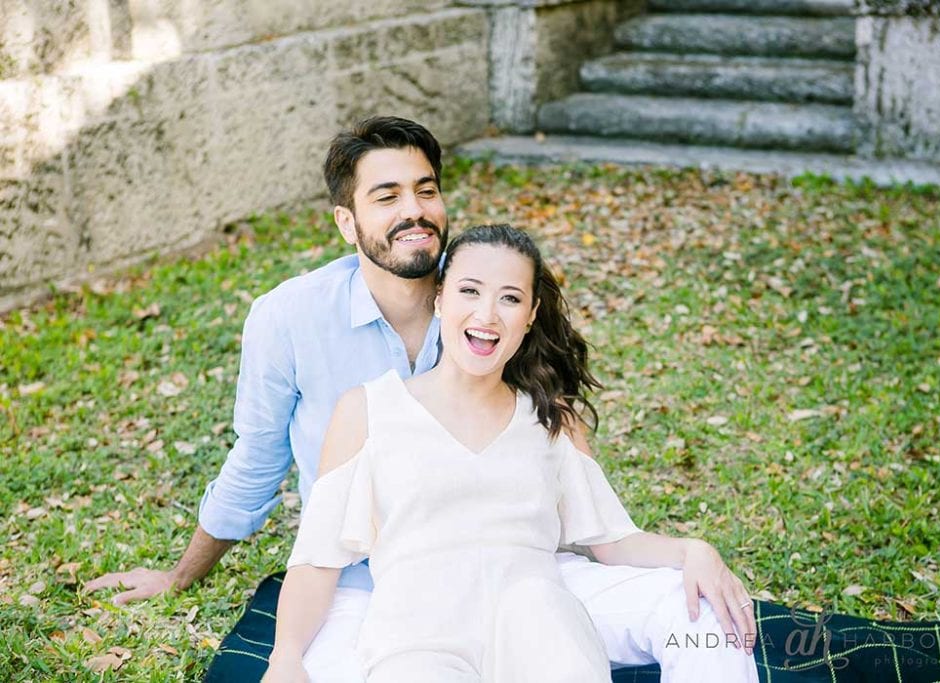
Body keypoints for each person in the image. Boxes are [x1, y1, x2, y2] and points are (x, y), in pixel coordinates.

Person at [84, 116, 757, 681]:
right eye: (386, 195)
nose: (412, 209)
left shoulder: (494, 317)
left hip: (528, 580)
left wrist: (687, 548)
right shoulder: (297, 326)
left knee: (696, 615)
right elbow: (262, 467)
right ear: (347, 222)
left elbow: (602, 531)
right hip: (374, 586)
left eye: (425, 189)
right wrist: (184, 577)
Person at [263, 224, 758, 682]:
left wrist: (694, 550)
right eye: (470, 291)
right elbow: (316, 561)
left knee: (706, 611)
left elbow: (612, 540)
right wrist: (286, 655)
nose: (486, 315)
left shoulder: (548, 417)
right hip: (418, 635)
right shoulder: (369, 409)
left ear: (530, 316)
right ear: (439, 299)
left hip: (538, 619)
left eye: (510, 298)